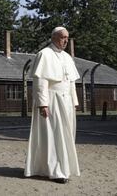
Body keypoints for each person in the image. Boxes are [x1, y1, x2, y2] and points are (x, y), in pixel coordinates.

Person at [25, 26, 80, 184]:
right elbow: (40, 82)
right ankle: (56, 171)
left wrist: (74, 102)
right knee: (54, 135)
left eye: (67, 38)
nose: (65, 41)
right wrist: (43, 104)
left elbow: (71, 83)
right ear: (54, 37)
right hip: (52, 100)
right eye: (63, 37)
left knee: (66, 135)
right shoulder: (44, 54)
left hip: (66, 101)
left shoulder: (68, 58)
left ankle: (64, 168)